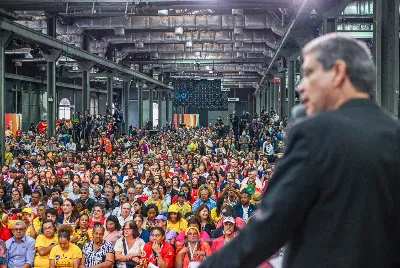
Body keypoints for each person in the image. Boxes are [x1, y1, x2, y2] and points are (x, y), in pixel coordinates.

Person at [199, 34, 400, 267]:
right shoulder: (394, 133)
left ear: (338, 72)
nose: (300, 87)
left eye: (309, 73)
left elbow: (271, 226)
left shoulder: (315, 132)